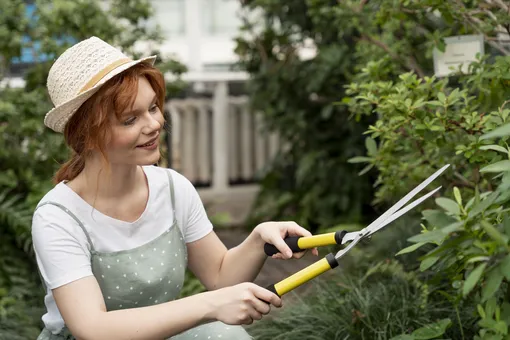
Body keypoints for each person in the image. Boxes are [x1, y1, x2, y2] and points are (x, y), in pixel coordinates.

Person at [31, 36, 318, 340]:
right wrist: (210, 305)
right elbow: (93, 328)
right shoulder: (58, 217)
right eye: (130, 120)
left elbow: (221, 278)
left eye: (153, 107)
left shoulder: (172, 189)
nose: (154, 124)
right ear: (87, 135)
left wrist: (259, 239)